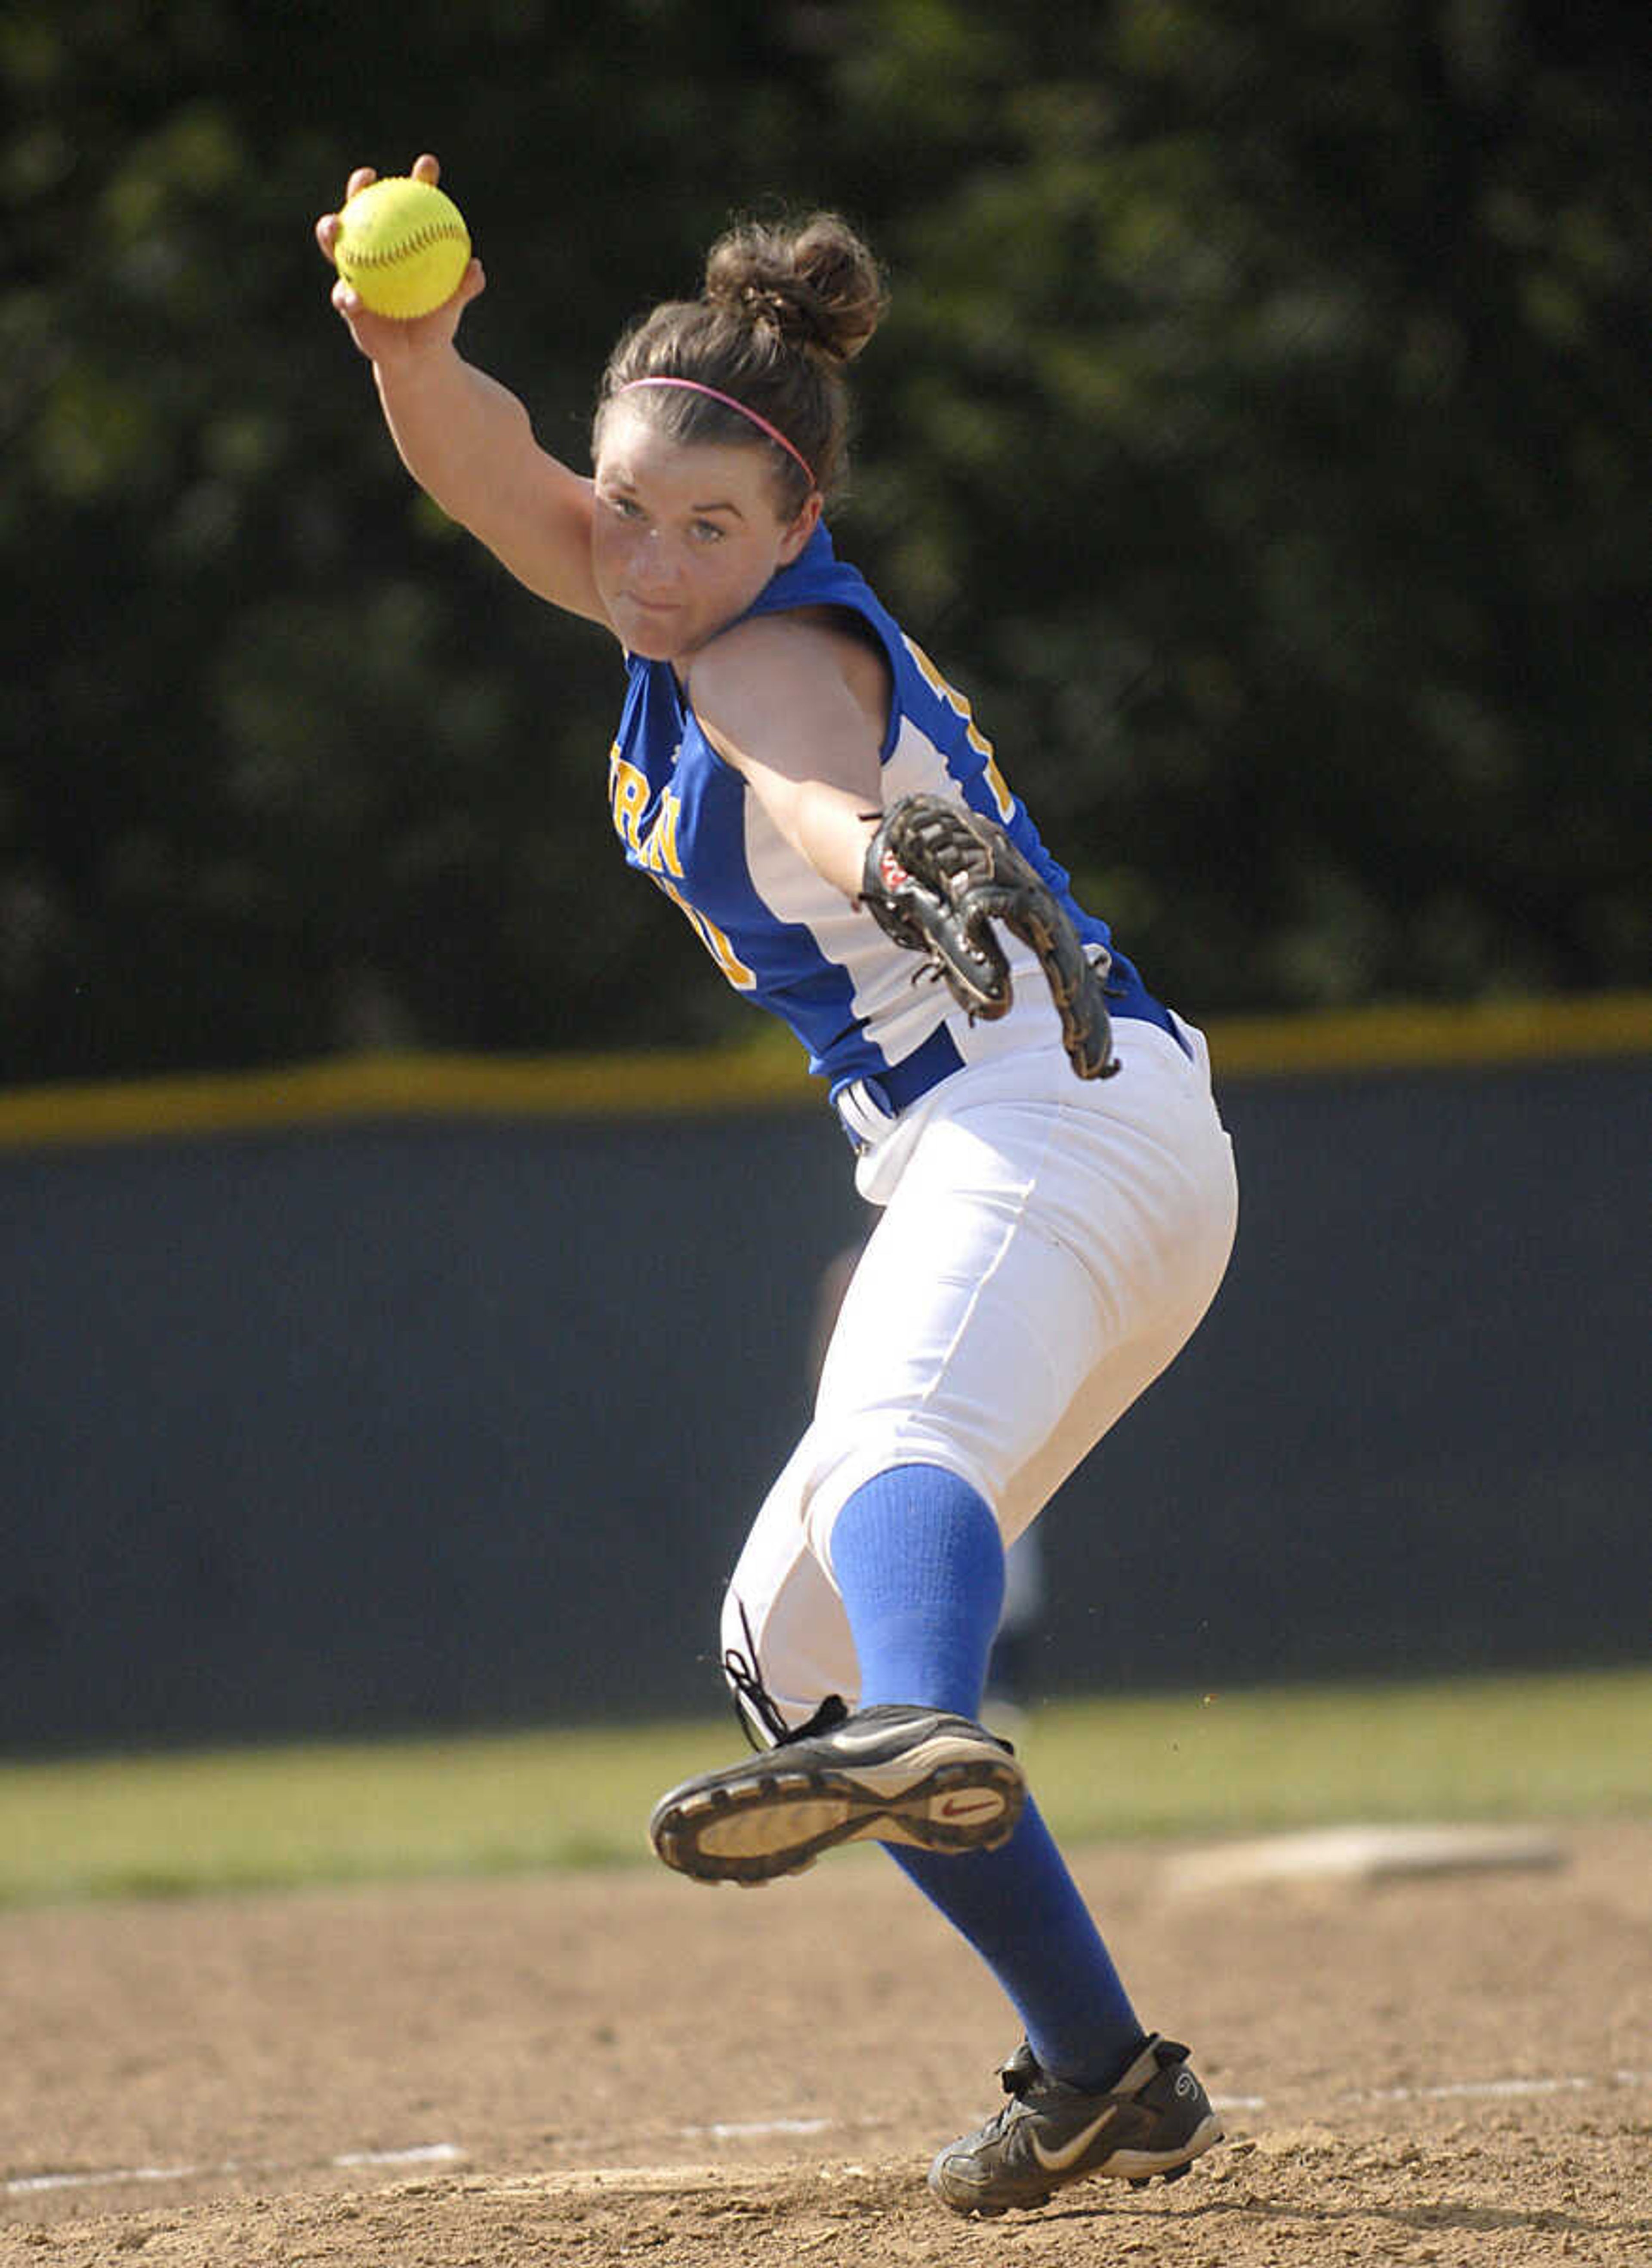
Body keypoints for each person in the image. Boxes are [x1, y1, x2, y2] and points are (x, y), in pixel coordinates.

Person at [317, 156, 1238, 2219]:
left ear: (797, 530)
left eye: (706, 526)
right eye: (631, 507)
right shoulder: (653, 576)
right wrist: (414, 349)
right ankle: (1101, 2071)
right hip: (1036, 1156)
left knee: (892, 1524)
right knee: (783, 1650)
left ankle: (932, 1715)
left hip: (1052, 1117)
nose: (647, 558)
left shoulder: (765, 649)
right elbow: (494, 480)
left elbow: (802, 782)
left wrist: (890, 855)